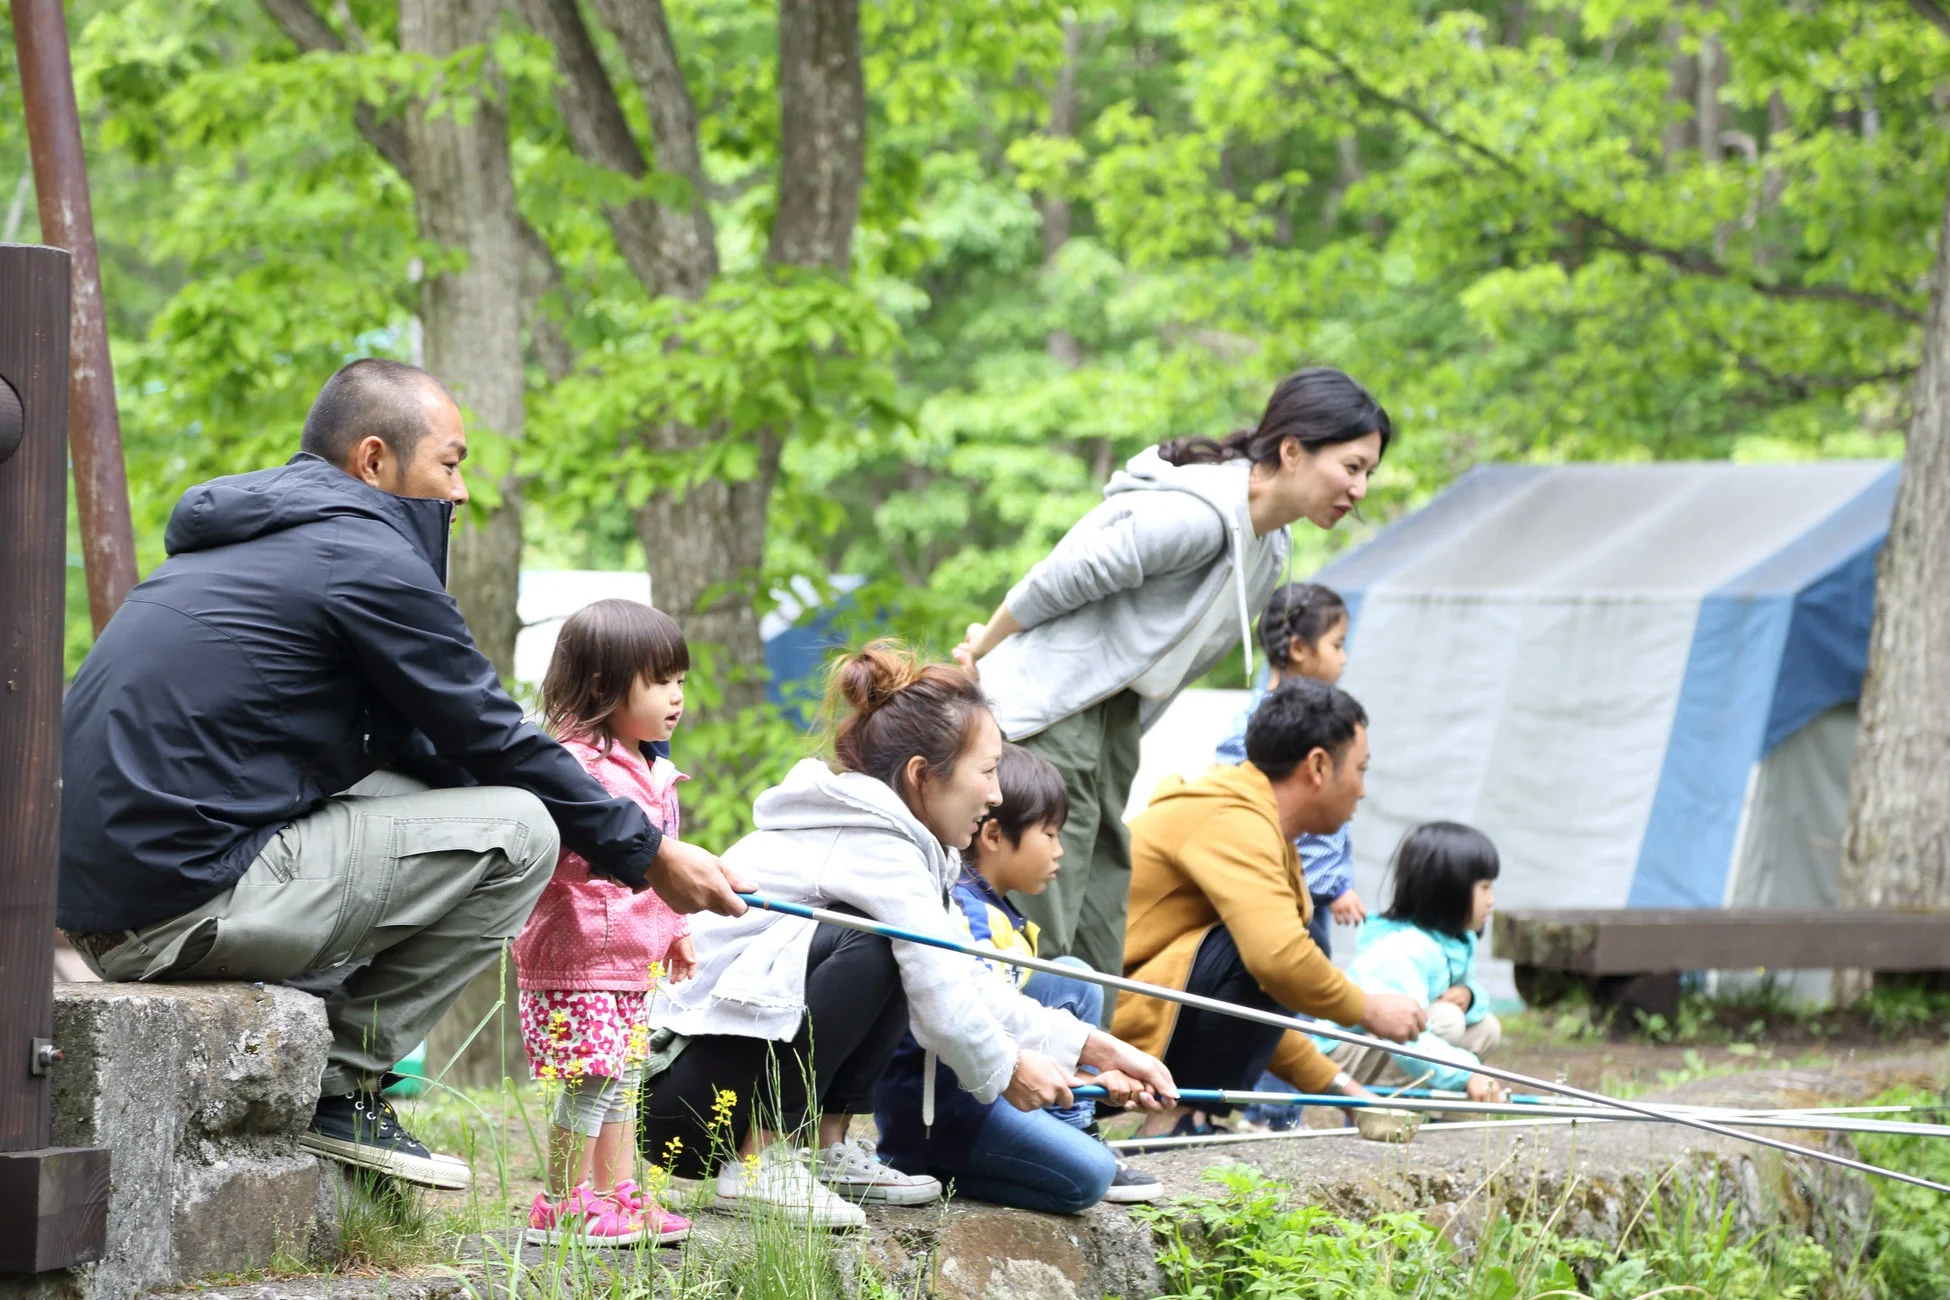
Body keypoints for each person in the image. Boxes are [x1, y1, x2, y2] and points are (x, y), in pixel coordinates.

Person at [57, 359, 747, 1191]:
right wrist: (648, 853)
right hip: (177, 904)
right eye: (450, 464)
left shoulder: (264, 542)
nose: (459, 494)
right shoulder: (364, 557)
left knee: (463, 800)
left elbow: (436, 747)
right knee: (521, 832)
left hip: (123, 893)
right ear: (375, 460)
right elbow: (490, 731)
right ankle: (341, 1083)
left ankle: (335, 1051)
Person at [640, 642, 1176, 1228]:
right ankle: (762, 1162)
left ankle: (824, 1148)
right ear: (923, 776)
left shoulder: (907, 845)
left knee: (893, 945)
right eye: (989, 771)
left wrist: (1100, 1049)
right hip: (678, 1093)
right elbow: (946, 1007)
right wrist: (1011, 1068)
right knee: (873, 943)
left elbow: (967, 977)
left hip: (712, 1087)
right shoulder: (874, 840)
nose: (997, 794)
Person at [955, 368, 1393, 994]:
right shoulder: (1198, 516)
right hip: (1053, 711)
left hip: (1115, 722)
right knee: (1045, 900)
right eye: (1352, 466)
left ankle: (1091, 1087)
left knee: (1102, 905)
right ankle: (1021, 1081)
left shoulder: (1268, 549)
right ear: (1293, 450)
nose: (1360, 488)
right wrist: (983, 646)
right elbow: (1066, 570)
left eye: (1368, 473)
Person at [1114, 679, 1427, 1138]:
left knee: (1281, 947)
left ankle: (1184, 1116)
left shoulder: (1256, 823)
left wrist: (1349, 1094)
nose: (1362, 789)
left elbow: (1251, 1007)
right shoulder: (1234, 820)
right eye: (1361, 769)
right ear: (1318, 766)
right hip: (1095, 1028)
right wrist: (1367, 1009)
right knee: (1286, 946)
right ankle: (1174, 1122)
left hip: (1129, 1015)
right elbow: (1274, 962)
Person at [873, 744, 1164, 1213]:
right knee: (1088, 1179)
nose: (1060, 851)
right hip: (950, 1105)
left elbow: (1018, 1018)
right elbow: (974, 1018)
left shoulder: (996, 910)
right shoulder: (968, 913)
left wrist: (1089, 1070)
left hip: (995, 1077)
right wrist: (1084, 1068)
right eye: (1048, 834)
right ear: (991, 833)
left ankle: (1072, 1124)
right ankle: (937, 1165)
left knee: (1072, 976)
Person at [514, 600, 699, 1247]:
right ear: (602, 686)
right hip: (578, 955)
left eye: (680, 681)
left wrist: (674, 927)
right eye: (660, 682)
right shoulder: (572, 767)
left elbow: (666, 858)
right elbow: (554, 854)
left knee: (622, 1076)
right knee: (590, 1079)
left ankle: (615, 1193)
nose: (677, 697)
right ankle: (562, 1202)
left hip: (629, 958)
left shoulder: (650, 764)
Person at [1308, 822, 1507, 1101]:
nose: (1492, 900)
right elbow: (1405, 1037)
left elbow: (1464, 996)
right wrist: (1467, 1073)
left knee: (1485, 1028)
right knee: (1447, 1021)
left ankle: (1428, 1101)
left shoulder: (1452, 941)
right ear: (1450, 891)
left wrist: (1470, 996)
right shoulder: (1405, 950)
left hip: (1393, 1044)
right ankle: (1398, 1103)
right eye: (1484, 888)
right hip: (1342, 1056)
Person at [1216, 583, 1361, 959]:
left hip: (1310, 892)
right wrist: (1332, 884)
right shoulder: (1256, 726)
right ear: (1298, 649)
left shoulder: (1320, 719)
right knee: (1299, 974)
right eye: (1336, 644)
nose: (1344, 658)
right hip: (1283, 892)